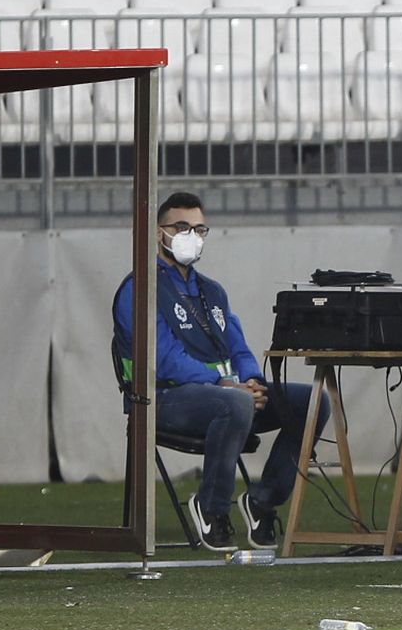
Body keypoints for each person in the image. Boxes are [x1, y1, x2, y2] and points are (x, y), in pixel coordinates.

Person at [113, 191, 323, 551]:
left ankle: (262, 501)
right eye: (181, 227)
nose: (191, 236)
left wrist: (253, 382)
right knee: (235, 403)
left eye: (199, 229)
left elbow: (238, 348)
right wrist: (226, 385)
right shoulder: (139, 289)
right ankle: (211, 507)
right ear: (158, 233)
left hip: (225, 397)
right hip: (160, 398)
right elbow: (164, 358)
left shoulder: (211, 291)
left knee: (312, 403)